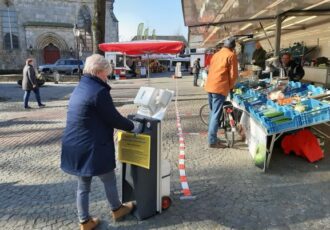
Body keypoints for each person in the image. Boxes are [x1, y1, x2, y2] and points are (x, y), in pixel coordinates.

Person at [61, 54, 142, 230]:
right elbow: (113, 118)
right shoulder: (99, 91)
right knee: (109, 178)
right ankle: (117, 209)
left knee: (83, 185)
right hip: (92, 146)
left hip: (75, 143)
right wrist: (133, 127)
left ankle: (85, 222)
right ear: (98, 72)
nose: (107, 77)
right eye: (106, 73)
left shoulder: (81, 86)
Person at [204, 37, 238, 148]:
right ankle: (212, 141)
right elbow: (233, 75)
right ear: (233, 47)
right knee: (216, 114)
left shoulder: (216, 54)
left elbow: (210, 69)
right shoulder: (231, 55)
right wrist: (231, 87)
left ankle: (212, 137)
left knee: (213, 113)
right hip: (220, 87)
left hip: (210, 86)